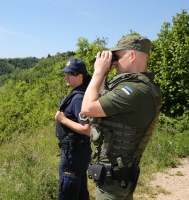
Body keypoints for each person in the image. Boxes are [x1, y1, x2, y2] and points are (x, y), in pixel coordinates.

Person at [80, 35, 162, 200]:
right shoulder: (141, 87)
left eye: (117, 56)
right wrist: (104, 74)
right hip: (119, 177)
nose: (114, 61)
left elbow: (88, 108)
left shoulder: (135, 91)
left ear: (132, 56)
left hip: (114, 182)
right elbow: (99, 99)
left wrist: (98, 72)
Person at [55, 58, 92, 200]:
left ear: (80, 76)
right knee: (80, 191)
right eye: (66, 73)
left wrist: (62, 119)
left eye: (70, 73)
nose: (66, 76)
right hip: (79, 152)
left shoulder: (78, 98)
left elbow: (87, 129)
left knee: (68, 191)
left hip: (73, 154)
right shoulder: (80, 93)